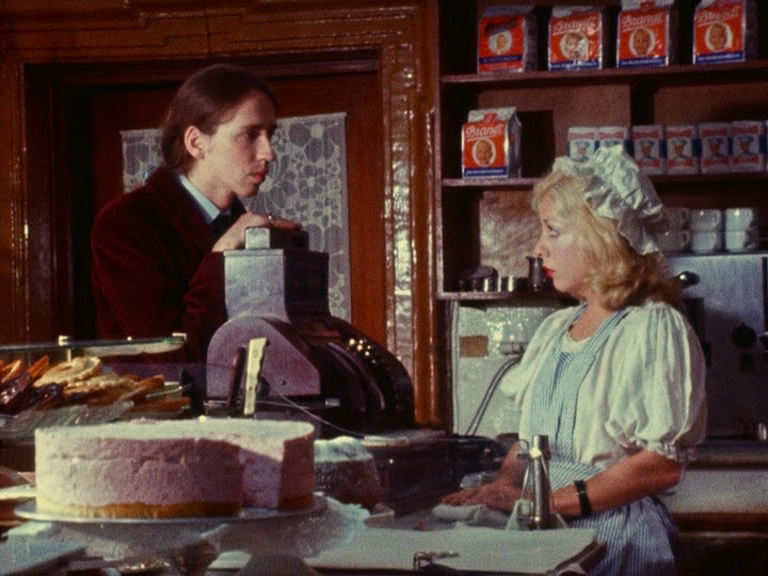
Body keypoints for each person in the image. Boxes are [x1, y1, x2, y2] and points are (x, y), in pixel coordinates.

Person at [442, 145, 707, 575]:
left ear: (598, 237)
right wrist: (502, 487)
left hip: (614, 538)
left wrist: (546, 502)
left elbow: (661, 466)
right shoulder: (555, 330)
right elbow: (530, 444)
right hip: (546, 530)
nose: (538, 248)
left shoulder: (651, 329)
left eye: (552, 231)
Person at [91, 63, 300, 362]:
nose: (269, 153)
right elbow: (172, 359)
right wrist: (222, 254)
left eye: (270, 135)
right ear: (196, 143)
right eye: (250, 134)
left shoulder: (243, 228)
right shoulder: (125, 223)